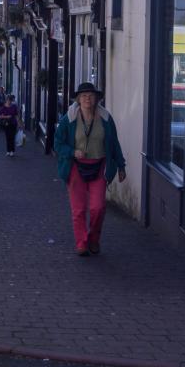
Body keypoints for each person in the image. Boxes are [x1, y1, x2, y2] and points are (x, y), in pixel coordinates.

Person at [53, 83, 127, 257]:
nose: (87, 99)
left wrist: (121, 166)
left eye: (91, 96)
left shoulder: (106, 118)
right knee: (78, 210)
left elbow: (114, 144)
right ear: (78, 99)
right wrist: (72, 152)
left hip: (99, 166)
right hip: (76, 167)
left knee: (98, 208)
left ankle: (94, 239)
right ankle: (81, 243)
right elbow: (57, 143)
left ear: (96, 99)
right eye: (84, 96)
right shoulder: (69, 119)